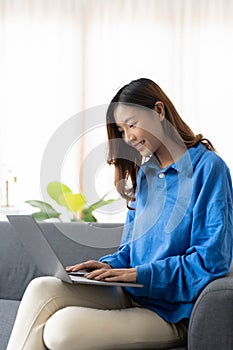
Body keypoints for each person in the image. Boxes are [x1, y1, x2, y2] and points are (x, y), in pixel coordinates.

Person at [7, 78, 233, 350]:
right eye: (121, 130)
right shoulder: (146, 174)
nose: (128, 138)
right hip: (132, 293)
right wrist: (110, 266)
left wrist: (140, 275)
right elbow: (129, 250)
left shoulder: (208, 169)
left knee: (60, 329)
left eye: (132, 124)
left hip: (171, 312)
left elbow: (211, 262)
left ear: (159, 111)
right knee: (41, 287)